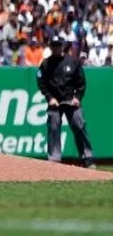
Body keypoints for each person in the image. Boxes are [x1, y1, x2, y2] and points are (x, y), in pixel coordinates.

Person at [36, 37, 95, 168]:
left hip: (71, 101)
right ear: (50, 47)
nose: (56, 48)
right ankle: (54, 160)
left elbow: (81, 82)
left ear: (62, 46)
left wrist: (78, 98)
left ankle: (88, 158)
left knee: (79, 126)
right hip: (55, 102)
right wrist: (49, 97)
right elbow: (41, 82)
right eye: (53, 45)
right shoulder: (46, 64)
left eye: (58, 45)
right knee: (54, 128)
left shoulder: (73, 61)